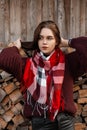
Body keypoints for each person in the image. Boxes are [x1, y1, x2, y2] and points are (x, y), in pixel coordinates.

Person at [0, 20, 87, 130]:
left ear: (56, 41)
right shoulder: (27, 65)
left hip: (64, 121)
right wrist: (15, 48)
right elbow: (3, 59)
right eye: (40, 38)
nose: (44, 42)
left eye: (49, 38)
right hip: (41, 121)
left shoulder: (69, 63)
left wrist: (67, 42)